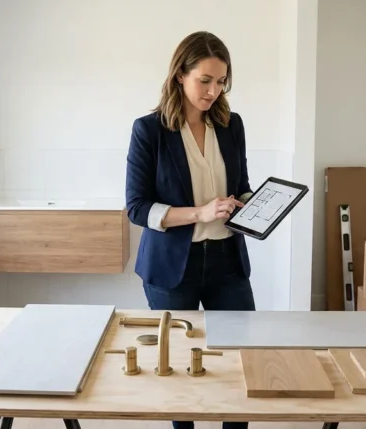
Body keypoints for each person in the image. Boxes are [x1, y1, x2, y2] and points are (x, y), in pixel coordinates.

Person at [124, 31, 254, 429]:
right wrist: (199, 213)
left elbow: (241, 185)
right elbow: (137, 208)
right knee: (180, 366)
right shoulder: (149, 130)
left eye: (221, 82)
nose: (213, 91)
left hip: (227, 261)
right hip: (171, 268)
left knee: (239, 362)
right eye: (205, 80)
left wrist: (252, 203)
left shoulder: (231, 126)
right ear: (180, 75)